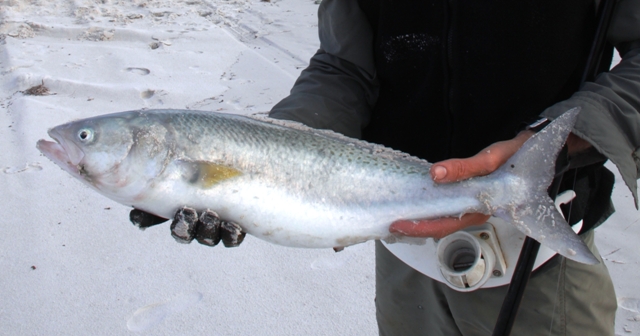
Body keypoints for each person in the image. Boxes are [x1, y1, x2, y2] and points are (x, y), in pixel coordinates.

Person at [132, 0, 640, 334]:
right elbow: (344, 66)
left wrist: (556, 139)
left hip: (540, 263)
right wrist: (267, 157)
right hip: (404, 254)